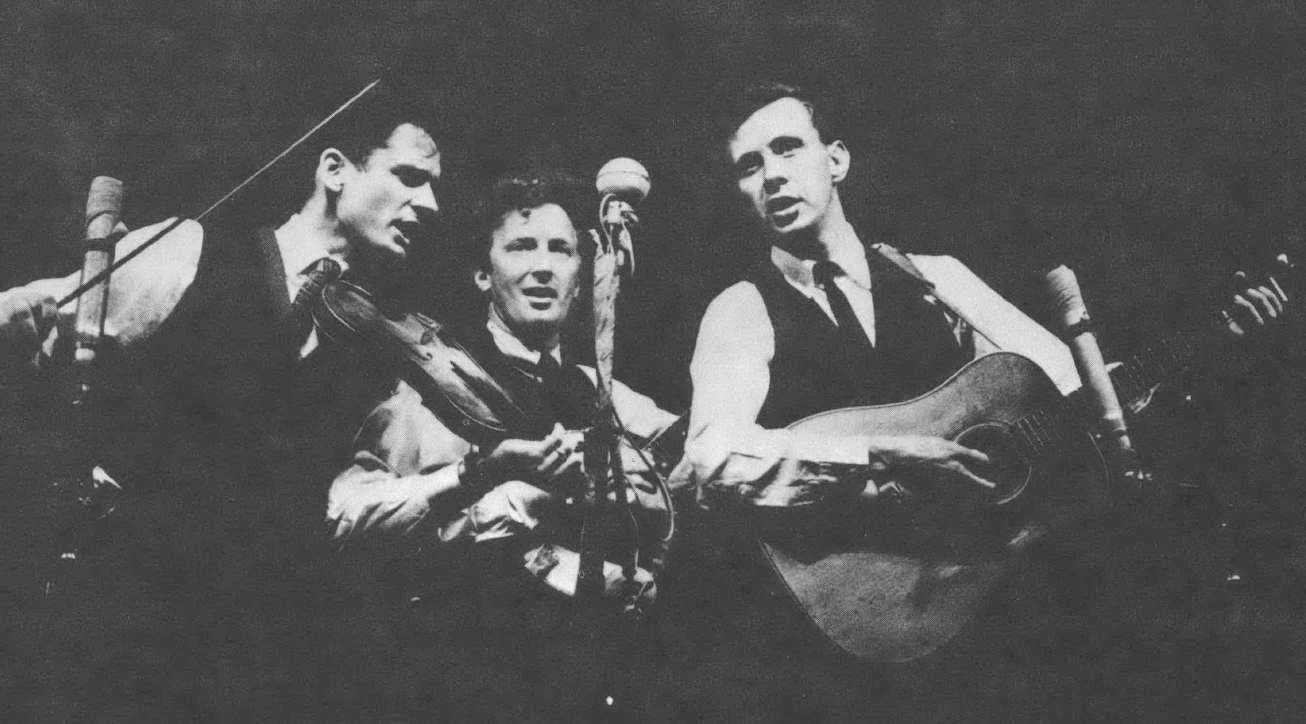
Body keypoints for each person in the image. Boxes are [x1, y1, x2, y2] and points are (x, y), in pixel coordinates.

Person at [663, 82, 1290, 723]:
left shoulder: (938, 277)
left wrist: (1219, 342)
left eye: (788, 149)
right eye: (750, 165)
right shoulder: (741, 308)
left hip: (981, 603)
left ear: (836, 160)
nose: (772, 176)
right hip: (851, 631)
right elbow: (709, 461)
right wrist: (883, 455)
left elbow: (1084, 400)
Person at [0, 86, 443, 723]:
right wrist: (8, 318)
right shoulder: (190, 249)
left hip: (264, 665)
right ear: (335, 170)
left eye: (434, 187)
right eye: (410, 177)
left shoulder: (375, 348)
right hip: (126, 635)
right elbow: (51, 315)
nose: (431, 204)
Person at [327, 171, 678, 723]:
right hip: (471, 691)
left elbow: (697, 472)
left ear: (581, 274)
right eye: (520, 247)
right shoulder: (432, 389)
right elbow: (347, 519)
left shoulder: (608, 396)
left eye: (561, 250)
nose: (543, 266)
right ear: (482, 274)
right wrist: (478, 475)